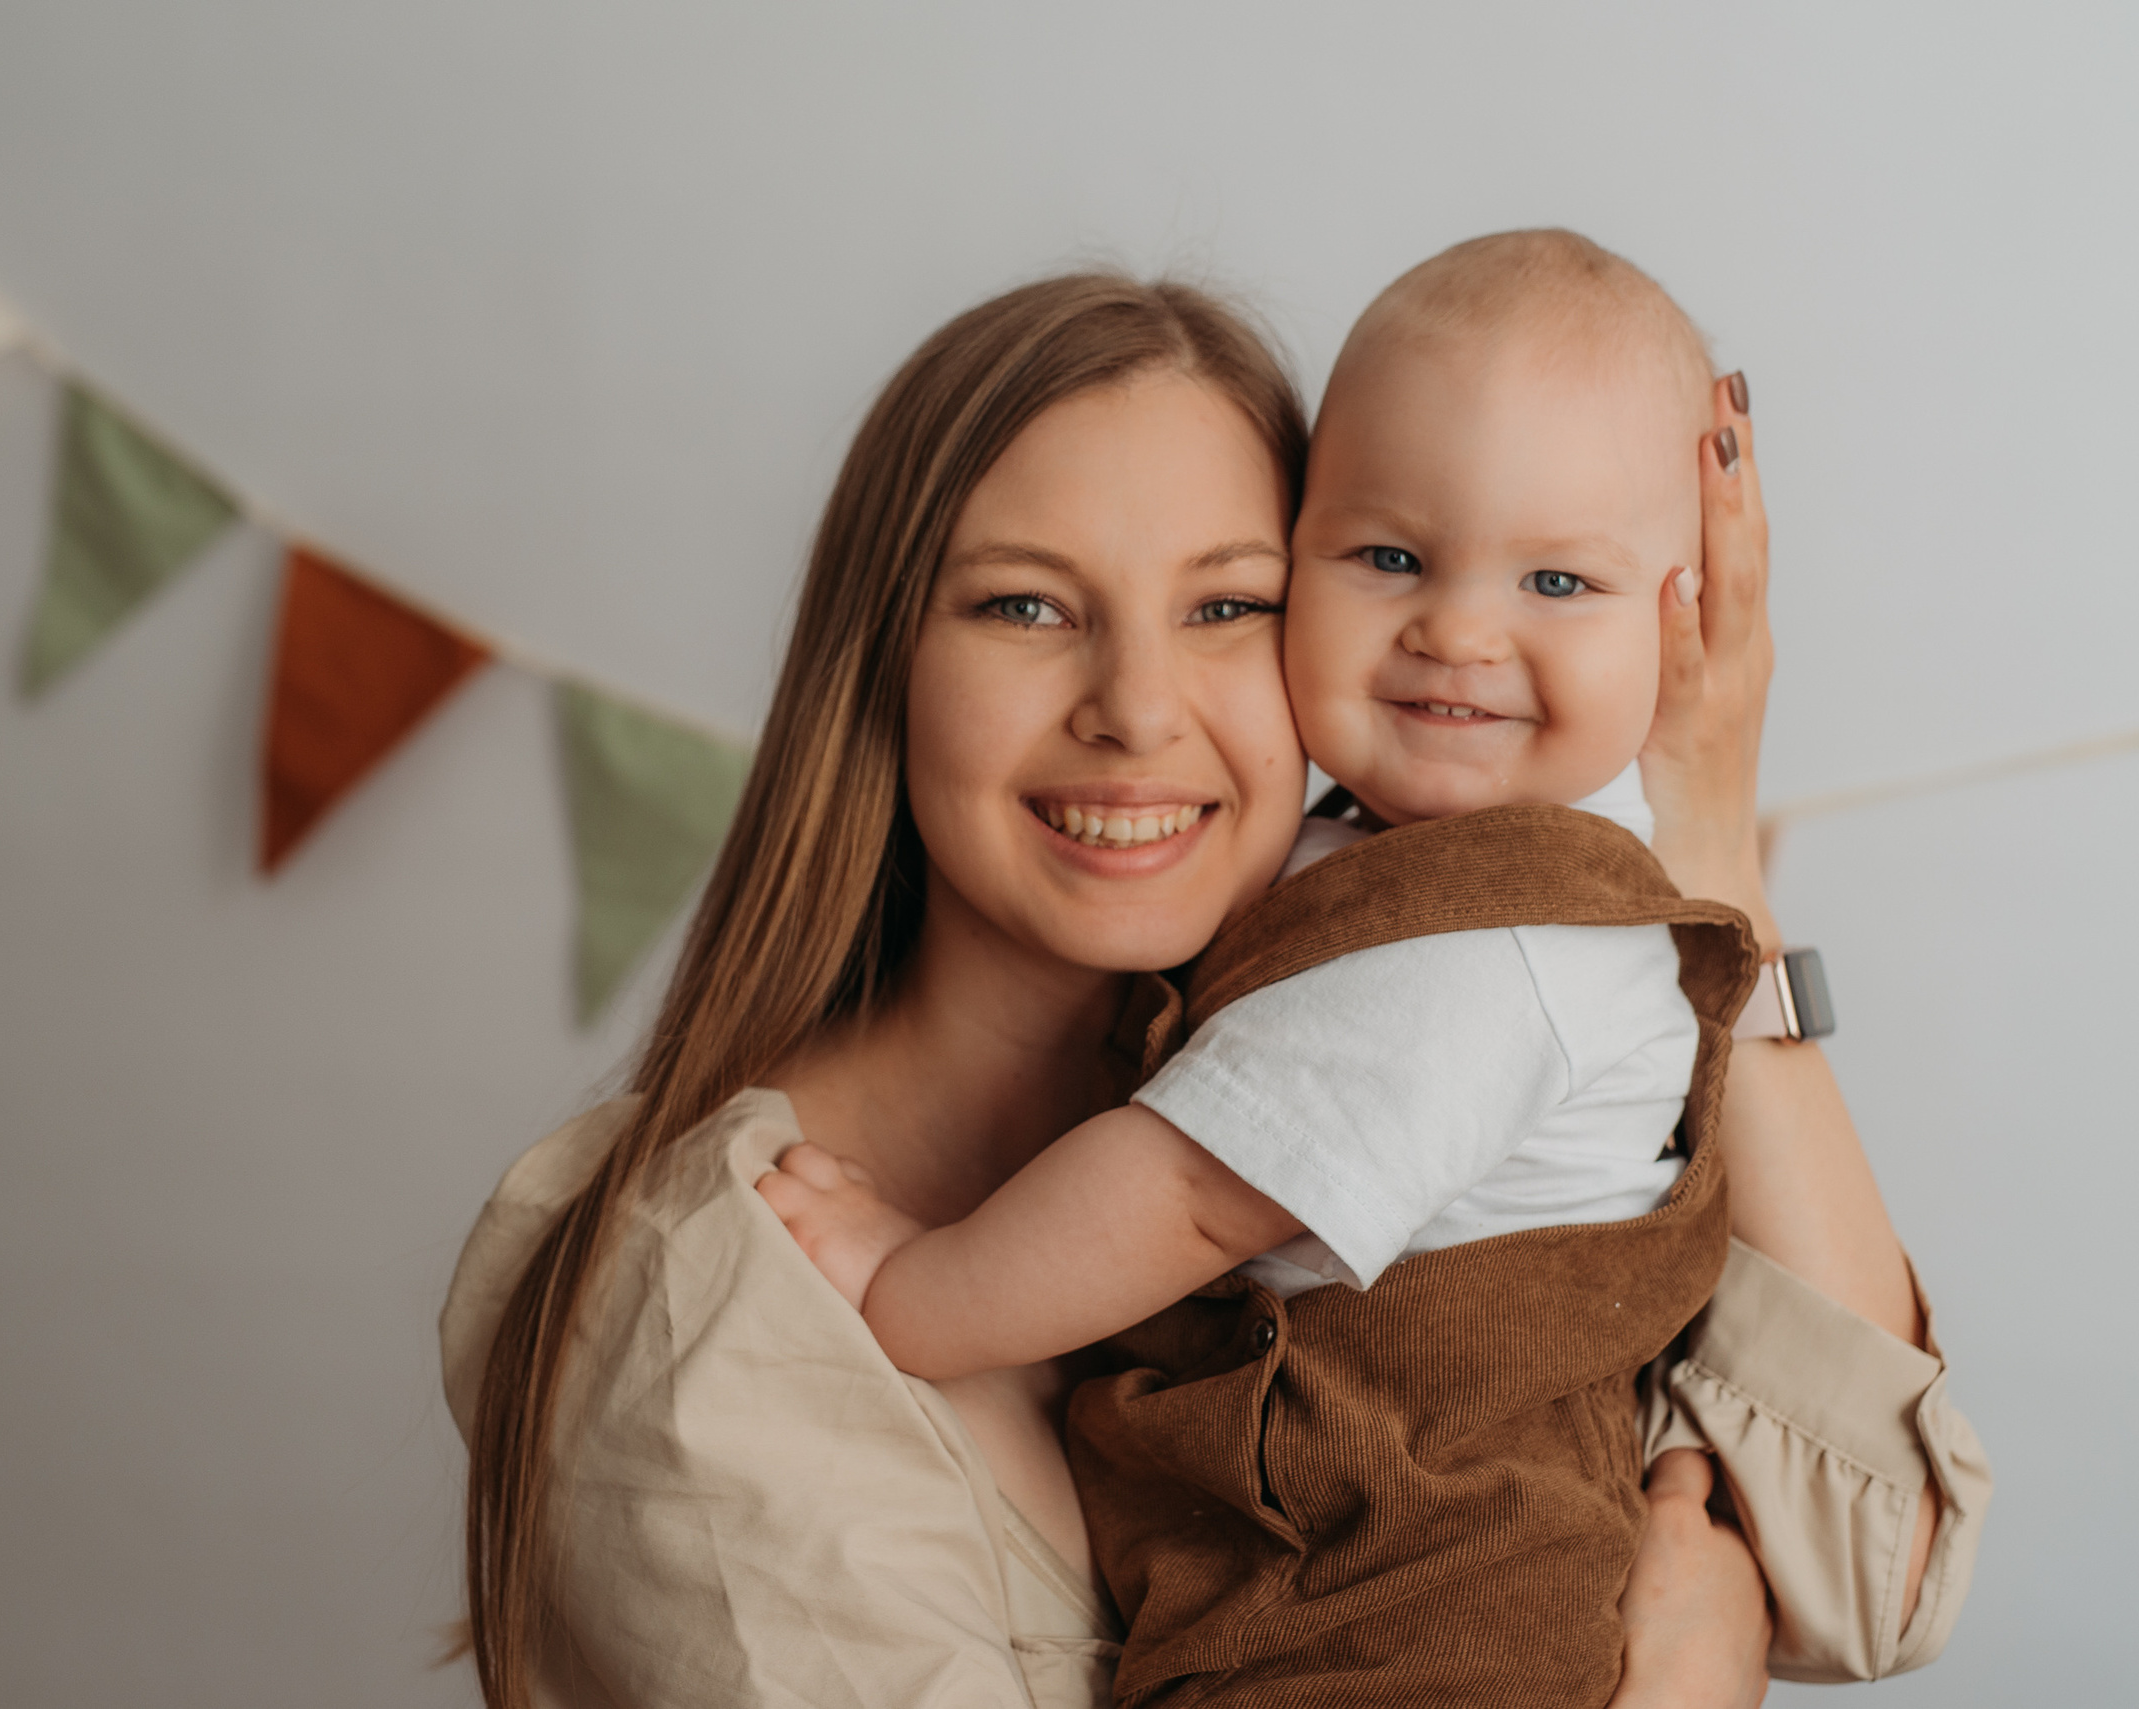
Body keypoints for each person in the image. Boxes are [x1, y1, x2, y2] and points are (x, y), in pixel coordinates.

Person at [440, 274, 1984, 1709]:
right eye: (1025, 606)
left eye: (1225, 604)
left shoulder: (1433, 1061)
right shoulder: (713, 1302)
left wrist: (1711, 851)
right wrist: (1687, 1668)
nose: (1136, 708)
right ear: (881, 661)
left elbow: (1875, 1566)